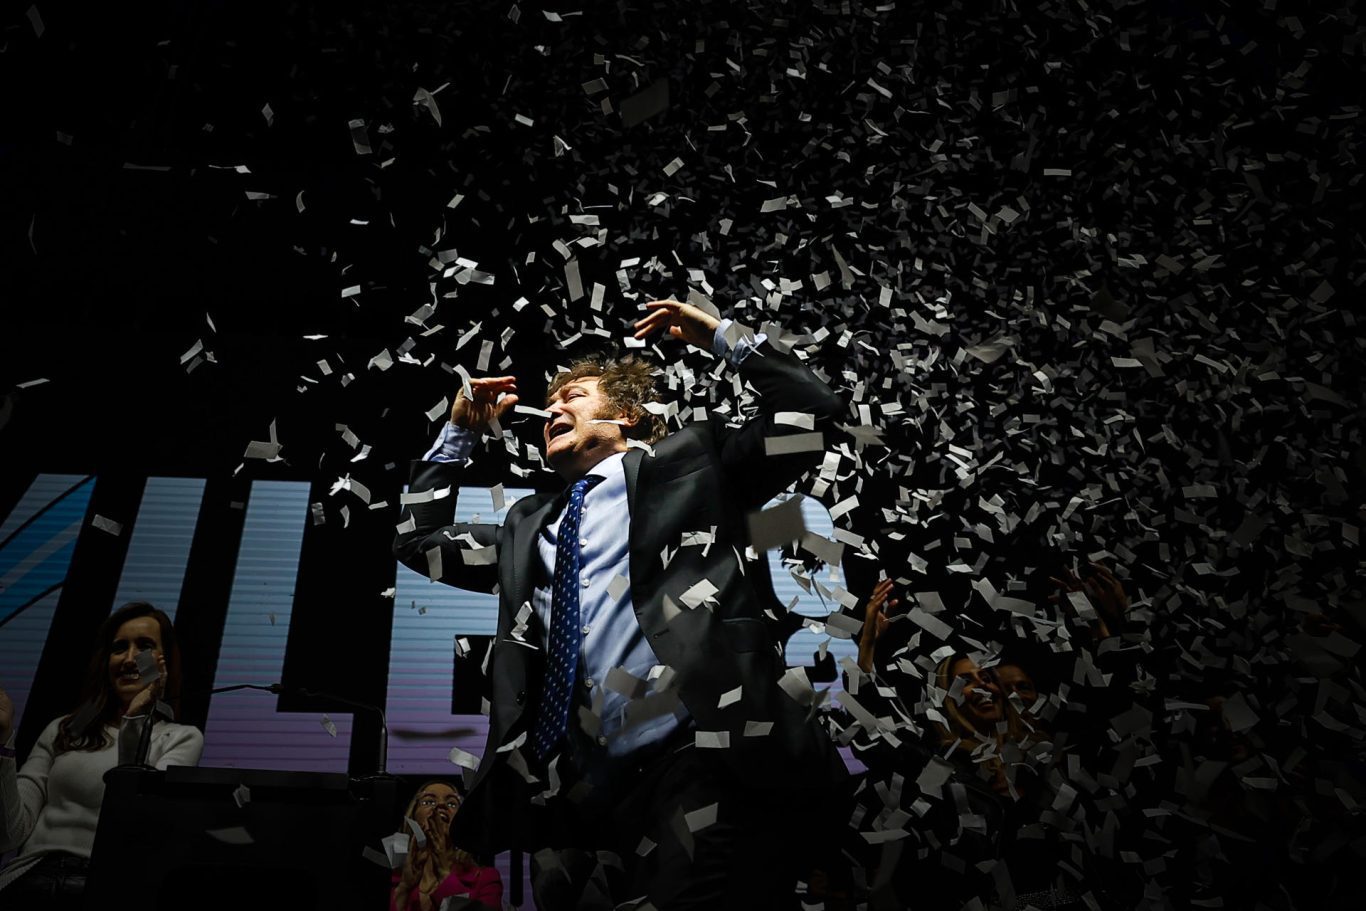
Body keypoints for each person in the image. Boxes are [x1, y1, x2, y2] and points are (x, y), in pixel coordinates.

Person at [393, 300, 849, 908]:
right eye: (551, 402)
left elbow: (812, 414)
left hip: (697, 758)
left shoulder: (692, 466)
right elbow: (417, 544)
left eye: (574, 396)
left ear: (628, 415)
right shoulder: (528, 528)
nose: (552, 408)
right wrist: (458, 436)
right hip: (576, 795)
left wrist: (722, 337)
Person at [0, 601, 204, 905]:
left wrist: (136, 718)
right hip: (29, 880)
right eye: (119, 647)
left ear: (164, 662)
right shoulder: (63, 729)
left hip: (109, 887)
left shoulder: (181, 737)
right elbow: (9, 835)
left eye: (145, 646)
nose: (130, 658)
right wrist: (2, 743)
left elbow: (135, 819)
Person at [390, 781, 502, 911]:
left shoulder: (486, 879)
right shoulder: (389, 880)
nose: (441, 805)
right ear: (413, 818)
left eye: (452, 803)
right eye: (428, 802)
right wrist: (404, 888)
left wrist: (444, 873)